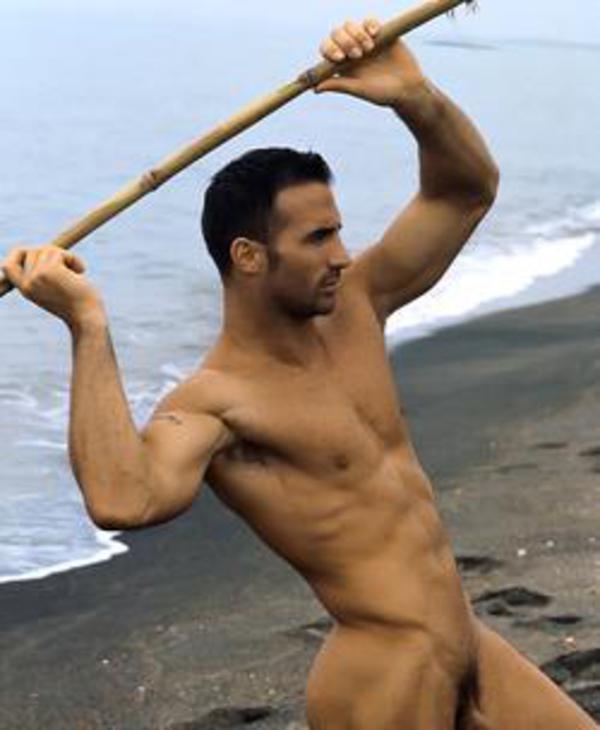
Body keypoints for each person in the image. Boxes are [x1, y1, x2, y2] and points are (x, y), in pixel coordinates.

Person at [2, 17, 596, 730]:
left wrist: (415, 98)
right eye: (318, 237)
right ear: (249, 256)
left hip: (467, 642)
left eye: (338, 230)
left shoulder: (358, 306)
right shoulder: (218, 403)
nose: (342, 254)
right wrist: (87, 325)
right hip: (384, 673)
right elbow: (123, 498)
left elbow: (465, 192)